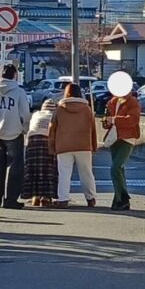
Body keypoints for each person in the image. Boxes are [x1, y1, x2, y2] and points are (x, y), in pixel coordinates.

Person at [0, 63, 31, 206]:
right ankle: (10, 199)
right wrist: (25, 129)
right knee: (15, 168)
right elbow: (25, 114)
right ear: (14, 75)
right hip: (15, 132)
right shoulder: (18, 92)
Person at [52, 78, 101, 207]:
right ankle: (91, 198)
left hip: (63, 145)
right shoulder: (86, 109)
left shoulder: (60, 109)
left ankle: (63, 199)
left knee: (64, 173)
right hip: (84, 145)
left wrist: (51, 146)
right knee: (86, 172)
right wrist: (94, 146)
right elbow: (93, 129)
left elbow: (52, 128)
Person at [102, 76, 143, 211]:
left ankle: (122, 198)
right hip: (114, 137)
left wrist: (113, 120)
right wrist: (106, 122)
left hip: (127, 138)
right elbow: (107, 121)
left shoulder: (133, 102)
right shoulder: (112, 102)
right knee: (119, 169)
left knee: (116, 167)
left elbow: (132, 120)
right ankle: (120, 200)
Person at [25, 96, 58, 207]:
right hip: (47, 141)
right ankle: (46, 197)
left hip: (32, 142)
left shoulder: (35, 115)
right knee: (48, 169)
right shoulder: (54, 116)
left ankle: (35, 196)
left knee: (34, 169)